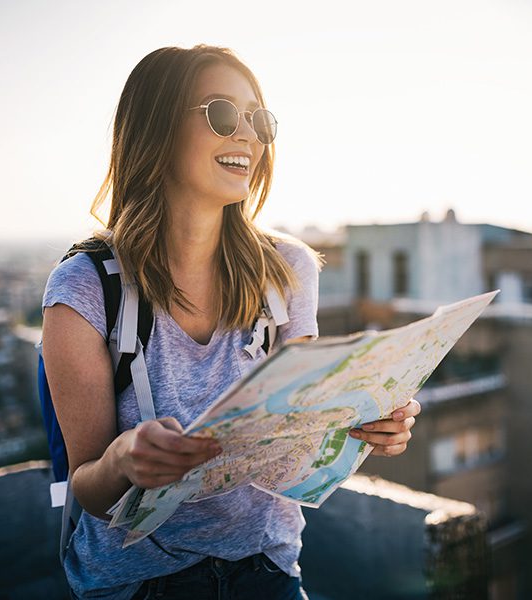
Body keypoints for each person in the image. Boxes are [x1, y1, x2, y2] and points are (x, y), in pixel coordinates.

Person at [41, 44, 421, 600]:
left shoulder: (286, 269)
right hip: (136, 584)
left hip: (266, 569)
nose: (247, 135)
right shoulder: (82, 288)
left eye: (259, 120)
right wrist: (124, 457)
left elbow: (299, 434)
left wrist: (368, 418)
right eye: (222, 113)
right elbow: (90, 490)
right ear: (158, 129)